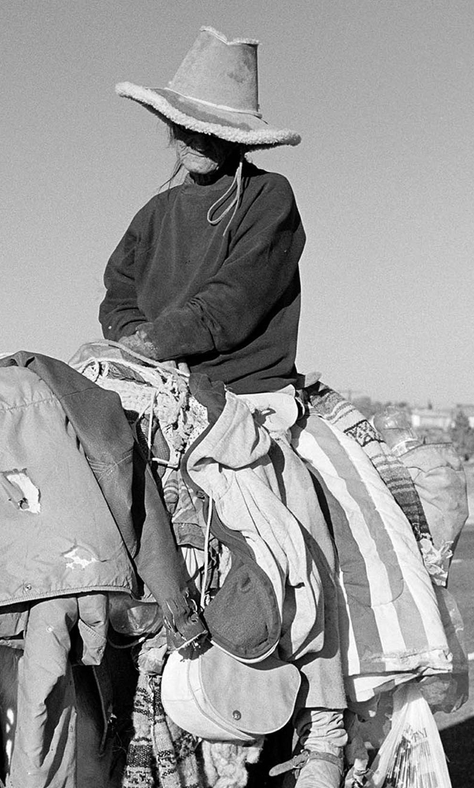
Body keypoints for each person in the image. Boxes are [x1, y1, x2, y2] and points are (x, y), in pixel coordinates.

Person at [100, 26, 348, 788]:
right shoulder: (153, 214)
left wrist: (157, 342)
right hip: (158, 394)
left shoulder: (271, 200)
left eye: (212, 129)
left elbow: (235, 302)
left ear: (240, 140)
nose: (195, 140)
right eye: (185, 126)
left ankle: (328, 720)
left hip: (247, 399)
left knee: (298, 529)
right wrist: (133, 344)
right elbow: (116, 293)